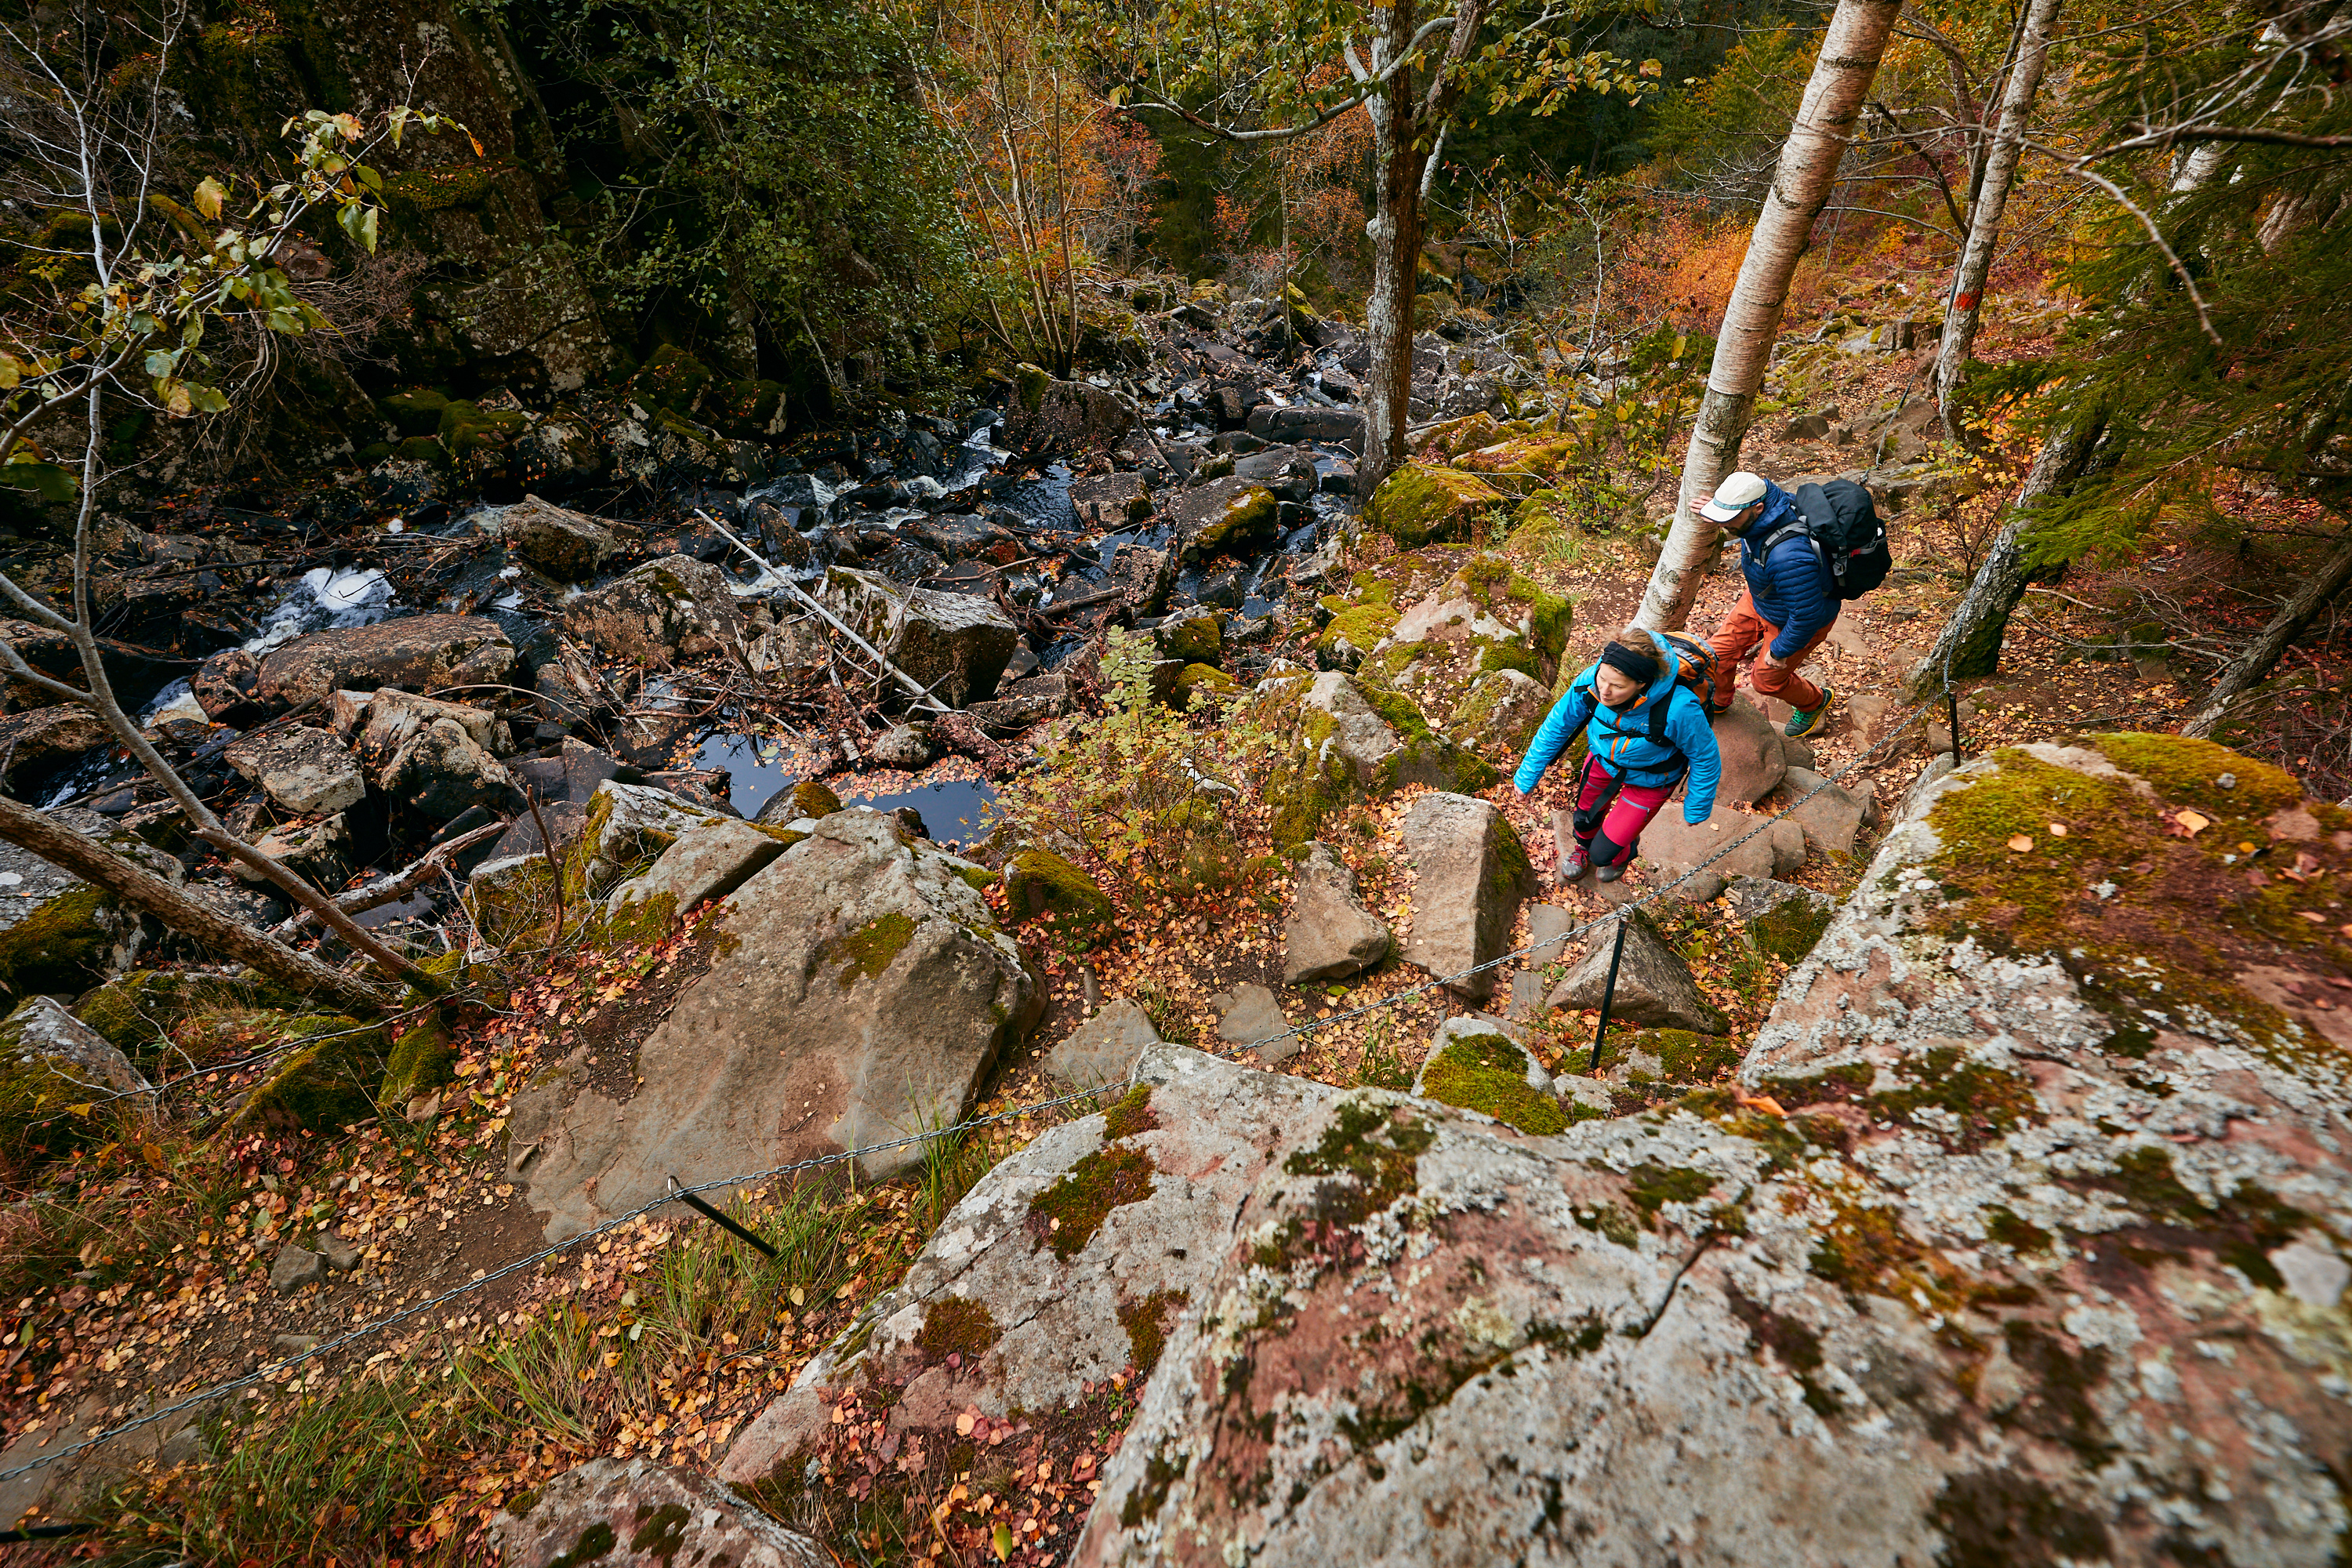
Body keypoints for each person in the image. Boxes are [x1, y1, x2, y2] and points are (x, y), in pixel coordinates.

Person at [1514, 626, 1722, 884]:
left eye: (1618, 686)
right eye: (1603, 678)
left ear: (1642, 684)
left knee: (1604, 854)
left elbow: (1706, 758)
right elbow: (1558, 724)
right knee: (1582, 822)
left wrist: (1697, 807)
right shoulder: (1591, 680)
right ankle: (1582, 850)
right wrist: (1527, 775)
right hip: (1603, 763)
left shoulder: (1679, 708)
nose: (1604, 691)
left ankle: (1622, 852)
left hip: (1652, 780)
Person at [1694, 470, 1838, 739]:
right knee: (1715, 655)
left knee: (1766, 681)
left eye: (1730, 519)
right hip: (1763, 598)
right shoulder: (1768, 503)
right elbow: (1737, 516)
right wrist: (1717, 510)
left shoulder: (1789, 556)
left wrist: (1780, 651)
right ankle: (1719, 700)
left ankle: (1814, 701)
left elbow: (1807, 616)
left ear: (1757, 509)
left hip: (1794, 622)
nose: (1725, 526)